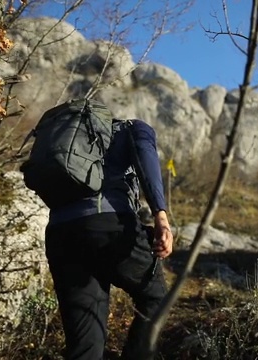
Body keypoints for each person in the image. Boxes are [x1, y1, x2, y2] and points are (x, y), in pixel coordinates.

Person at [44, 118, 173, 360]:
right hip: (107, 225)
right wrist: (161, 217)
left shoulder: (69, 141)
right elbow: (146, 156)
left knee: (85, 344)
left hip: (60, 234)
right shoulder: (130, 127)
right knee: (155, 296)